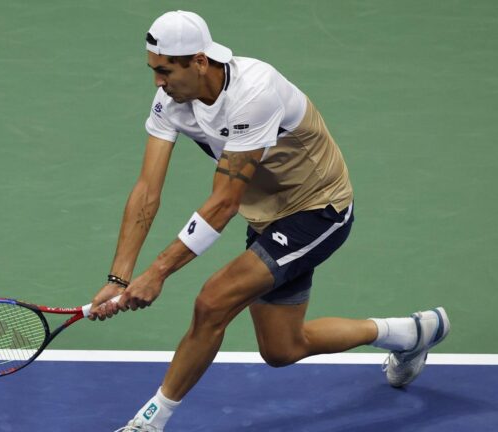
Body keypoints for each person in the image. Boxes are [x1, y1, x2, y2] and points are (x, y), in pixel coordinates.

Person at [88, 10, 450, 432]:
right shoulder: (171, 101)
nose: (157, 82)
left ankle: (149, 422)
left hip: (318, 209)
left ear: (199, 61)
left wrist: (157, 273)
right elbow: (147, 190)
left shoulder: (254, 93)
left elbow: (224, 202)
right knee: (282, 348)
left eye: (165, 71)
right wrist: (119, 277)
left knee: (212, 302)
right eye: (153, 70)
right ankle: (411, 334)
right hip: (267, 216)